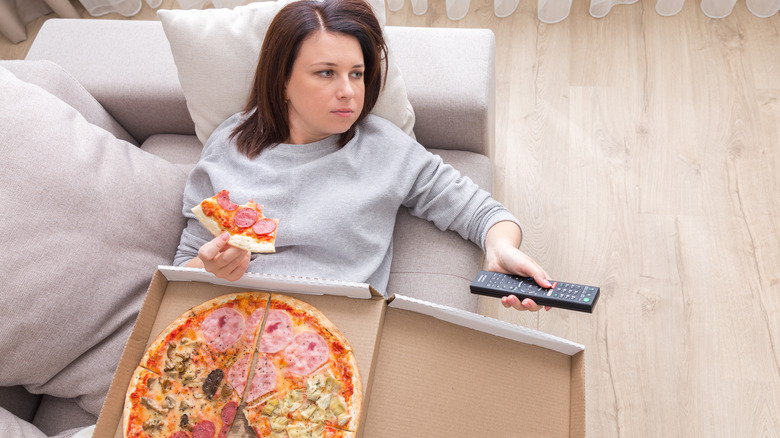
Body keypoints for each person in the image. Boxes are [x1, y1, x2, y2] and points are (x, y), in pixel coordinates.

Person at [174, 0, 551, 312]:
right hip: (232, 321)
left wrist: (501, 247)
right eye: (326, 73)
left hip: (337, 334)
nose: (349, 92)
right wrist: (209, 267)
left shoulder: (384, 148)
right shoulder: (228, 142)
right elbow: (185, 264)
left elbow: (482, 212)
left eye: (356, 74)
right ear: (283, 80)